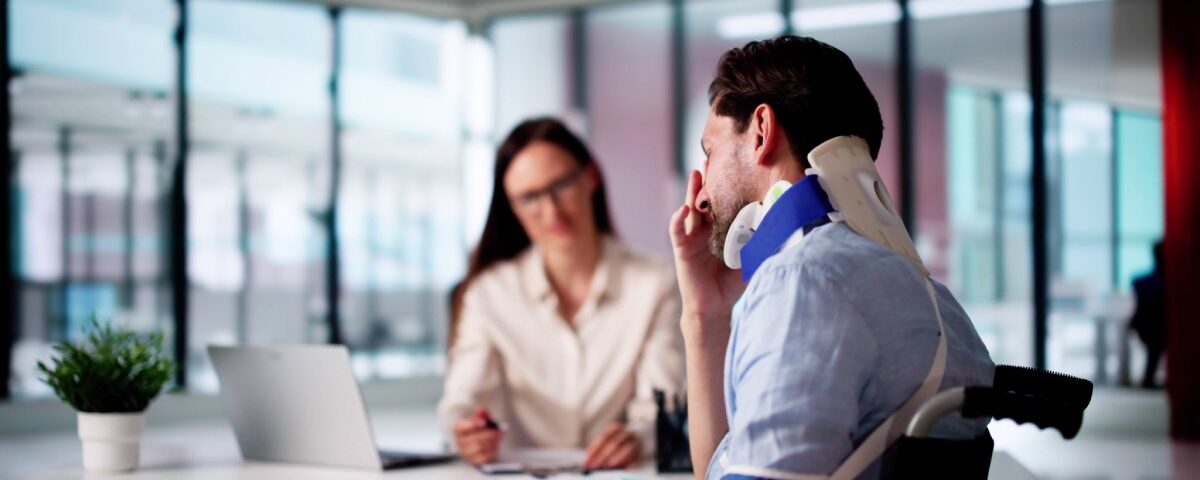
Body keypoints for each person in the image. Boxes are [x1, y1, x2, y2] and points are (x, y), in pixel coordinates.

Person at [667, 36, 995, 479]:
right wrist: (704, 313)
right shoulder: (938, 302)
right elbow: (723, 466)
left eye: (711, 151)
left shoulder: (803, 283)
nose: (702, 192)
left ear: (761, 131)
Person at [438, 117, 684, 470]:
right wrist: (466, 433)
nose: (551, 210)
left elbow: (661, 406)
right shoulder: (488, 294)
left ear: (590, 178)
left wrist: (638, 437)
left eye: (562, 185)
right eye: (530, 198)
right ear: (512, 208)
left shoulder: (655, 282)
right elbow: (460, 402)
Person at [1130, 241, 1166, 389]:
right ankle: (1149, 378)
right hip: (1157, 327)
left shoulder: (1142, 282)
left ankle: (1148, 378)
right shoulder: (1166, 282)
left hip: (1149, 326)